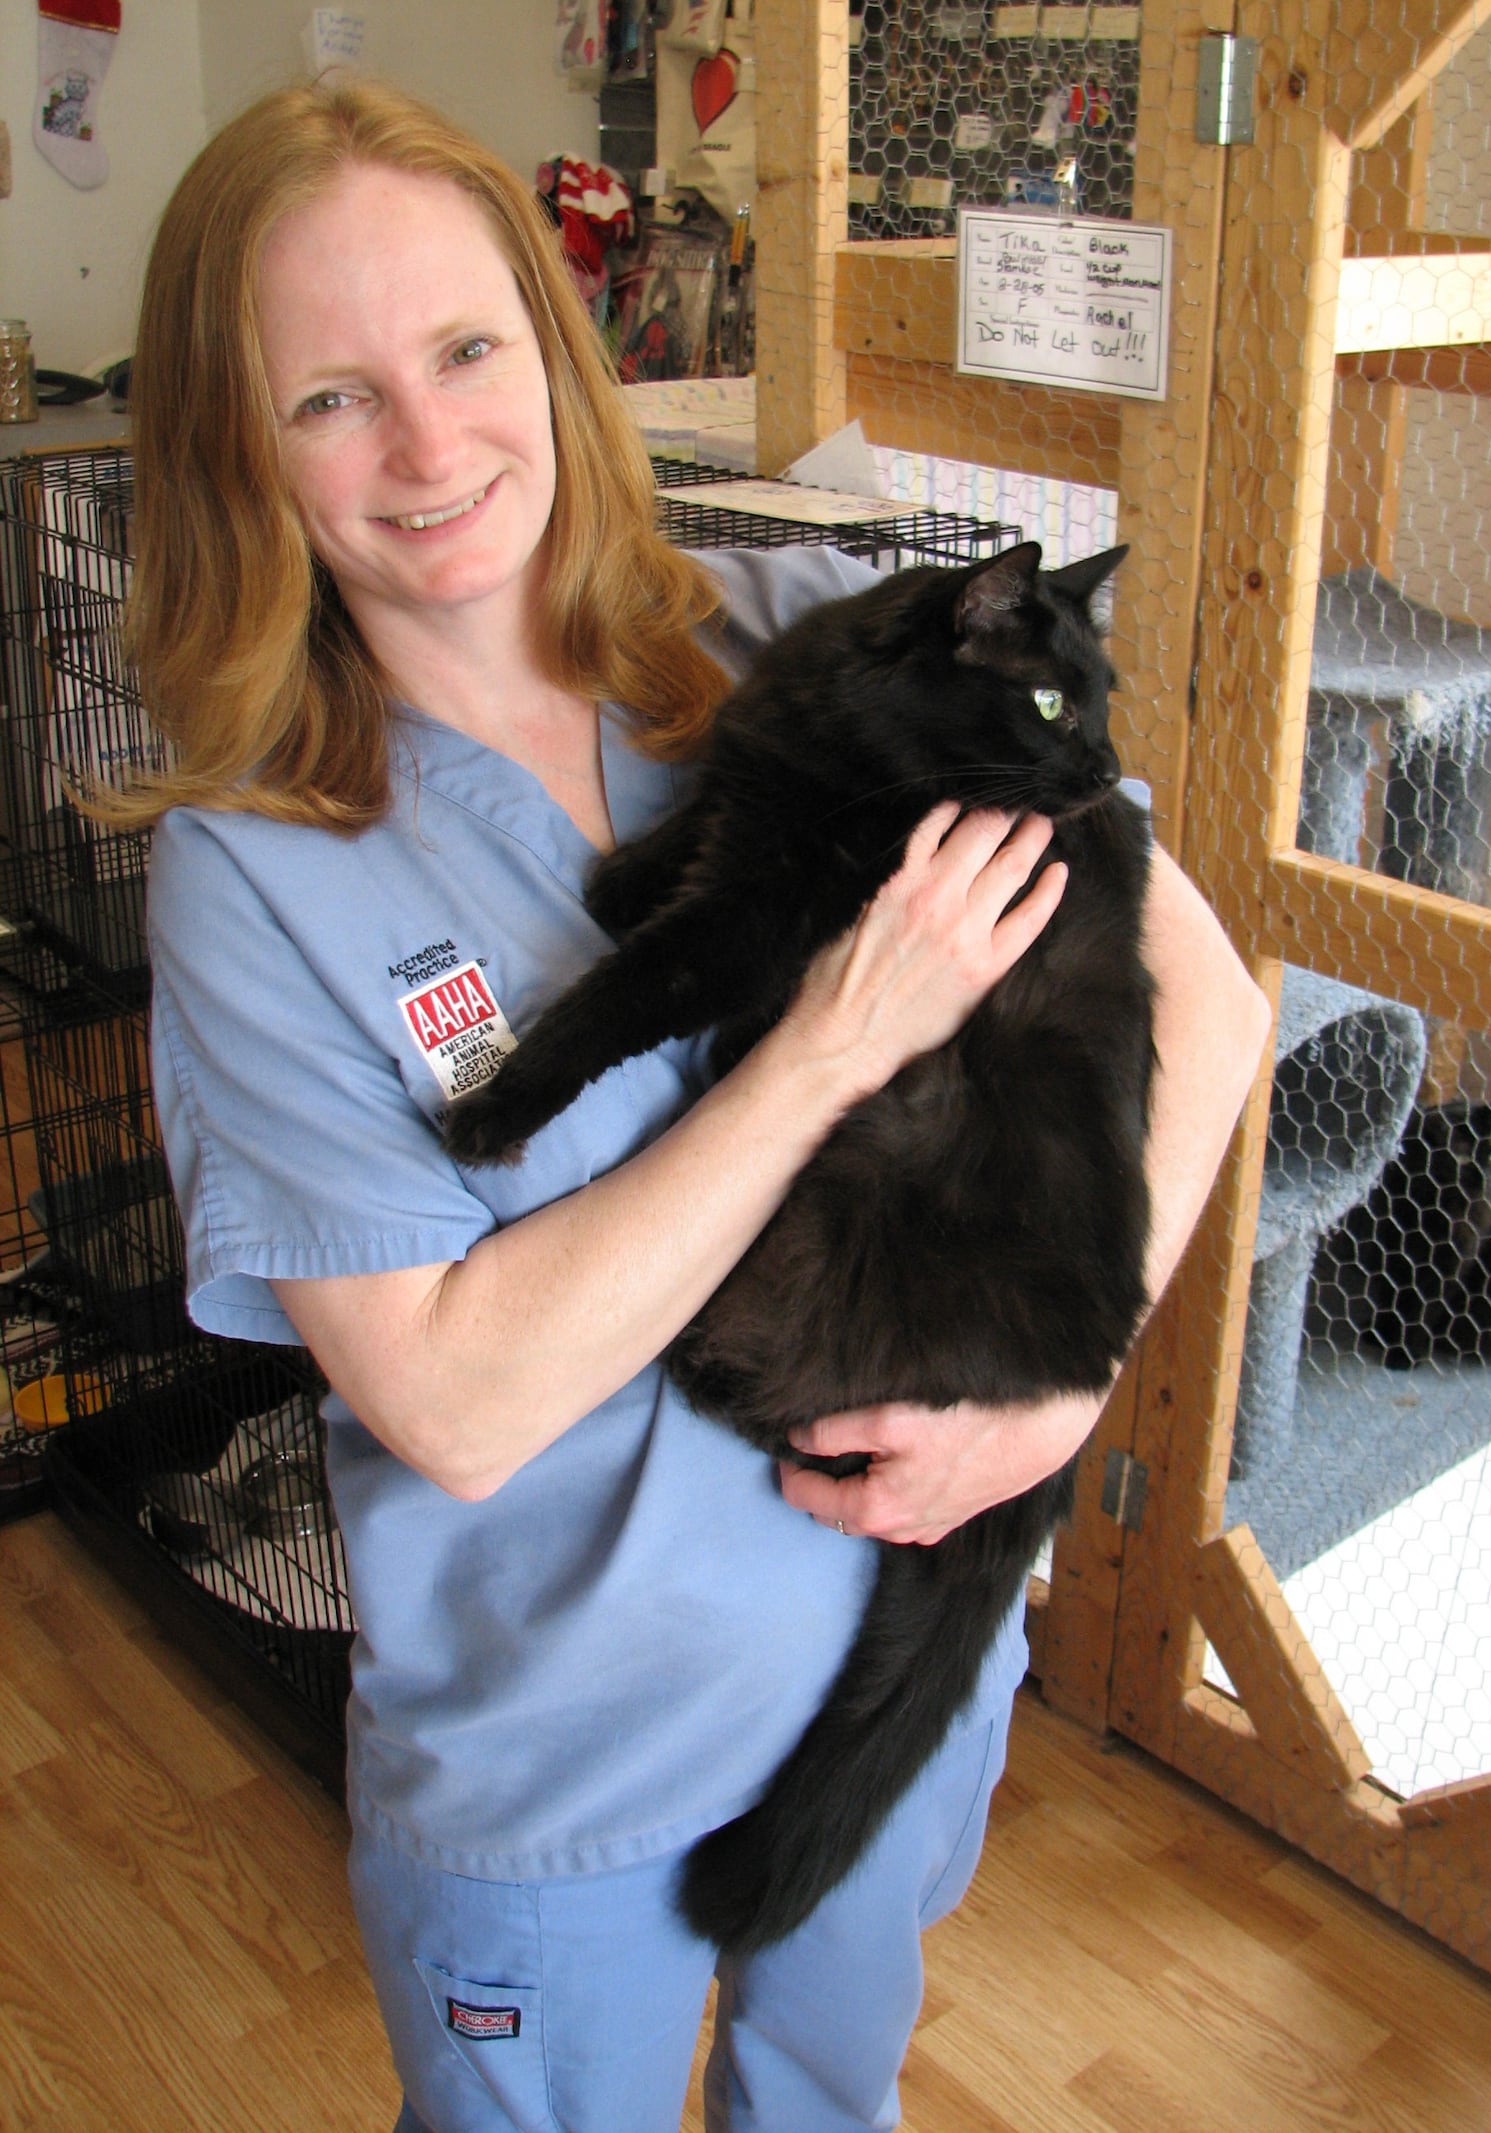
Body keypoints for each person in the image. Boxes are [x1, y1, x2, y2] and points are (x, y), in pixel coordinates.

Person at [114, 77, 1270, 2133]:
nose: (430, 442)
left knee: (831, 2106)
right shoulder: (257, 869)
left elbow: (1201, 985)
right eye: (328, 397)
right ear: (240, 450)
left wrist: (1060, 1388)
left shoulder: (759, 649)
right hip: (565, 1772)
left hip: (892, 1675)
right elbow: (456, 1398)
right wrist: (834, 1034)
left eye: (468, 349)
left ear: (551, 353)